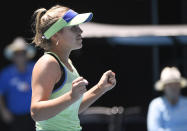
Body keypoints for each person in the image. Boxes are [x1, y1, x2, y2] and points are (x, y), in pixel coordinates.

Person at [30, 4, 116, 131]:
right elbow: (36, 113)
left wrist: (100, 88)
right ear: (55, 35)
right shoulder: (48, 63)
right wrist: (70, 96)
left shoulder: (67, 62)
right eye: (73, 28)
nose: (80, 31)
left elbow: (72, 108)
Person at [0, 37, 36, 131]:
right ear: (13, 56)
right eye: (17, 53)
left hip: (36, 114)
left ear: (26, 55)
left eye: (22, 53)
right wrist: (3, 110)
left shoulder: (36, 68)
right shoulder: (6, 73)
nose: (20, 56)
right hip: (15, 116)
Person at [147, 66, 187, 131]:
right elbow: (153, 129)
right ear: (164, 87)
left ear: (180, 86)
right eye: (170, 84)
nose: (173, 87)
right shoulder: (156, 105)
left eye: (176, 84)